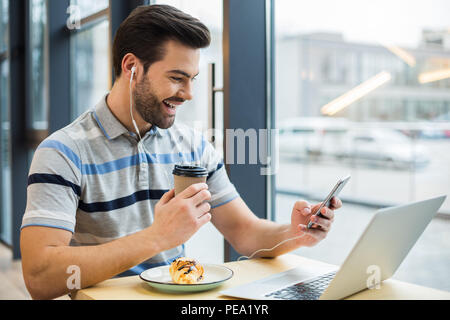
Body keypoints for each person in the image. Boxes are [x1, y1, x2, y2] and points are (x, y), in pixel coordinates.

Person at [20, 4, 342, 300]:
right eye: (177, 78)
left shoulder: (194, 146)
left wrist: (296, 233)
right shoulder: (63, 153)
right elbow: (40, 276)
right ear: (132, 67)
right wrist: (157, 237)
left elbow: (245, 233)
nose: (188, 94)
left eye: (192, 80)